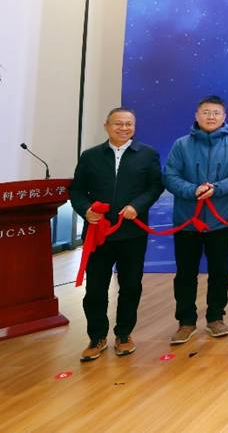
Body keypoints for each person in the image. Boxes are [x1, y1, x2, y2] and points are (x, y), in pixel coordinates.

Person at [68, 108, 163, 361]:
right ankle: (97, 337)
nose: (123, 128)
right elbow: (76, 190)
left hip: (132, 233)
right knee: (95, 288)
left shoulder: (148, 154)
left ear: (135, 126)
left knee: (130, 286)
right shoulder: (90, 156)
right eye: (118, 123)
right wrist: (86, 210)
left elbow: (155, 186)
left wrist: (137, 206)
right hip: (98, 234)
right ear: (106, 125)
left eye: (129, 124)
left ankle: (123, 334)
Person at [163, 95, 228, 345]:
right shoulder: (181, 144)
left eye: (216, 113)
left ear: (224, 117)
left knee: (219, 271)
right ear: (197, 115)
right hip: (186, 221)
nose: (211, 117)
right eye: (206, 112)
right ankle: (186, 321)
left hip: (220, 220)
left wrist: (217, 188)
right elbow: (170, 176)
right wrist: (193, 190)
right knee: (185, 273)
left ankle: (216, 317)